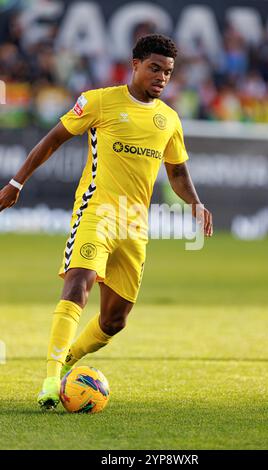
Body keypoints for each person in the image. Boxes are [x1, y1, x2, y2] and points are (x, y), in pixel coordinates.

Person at [0, 34, 213, 410]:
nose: (161, 77)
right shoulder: (99, 101)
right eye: (154, 68)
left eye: (167, 72)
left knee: (114, 320)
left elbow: (177, 172)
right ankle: (51, 382)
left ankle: (66, 360)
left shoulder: (169, 120)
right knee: (78, 284)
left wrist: (195, 202)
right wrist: (17, 183)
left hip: (135, 226)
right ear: (134, 65)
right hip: (96, 213)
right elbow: (53, 140)